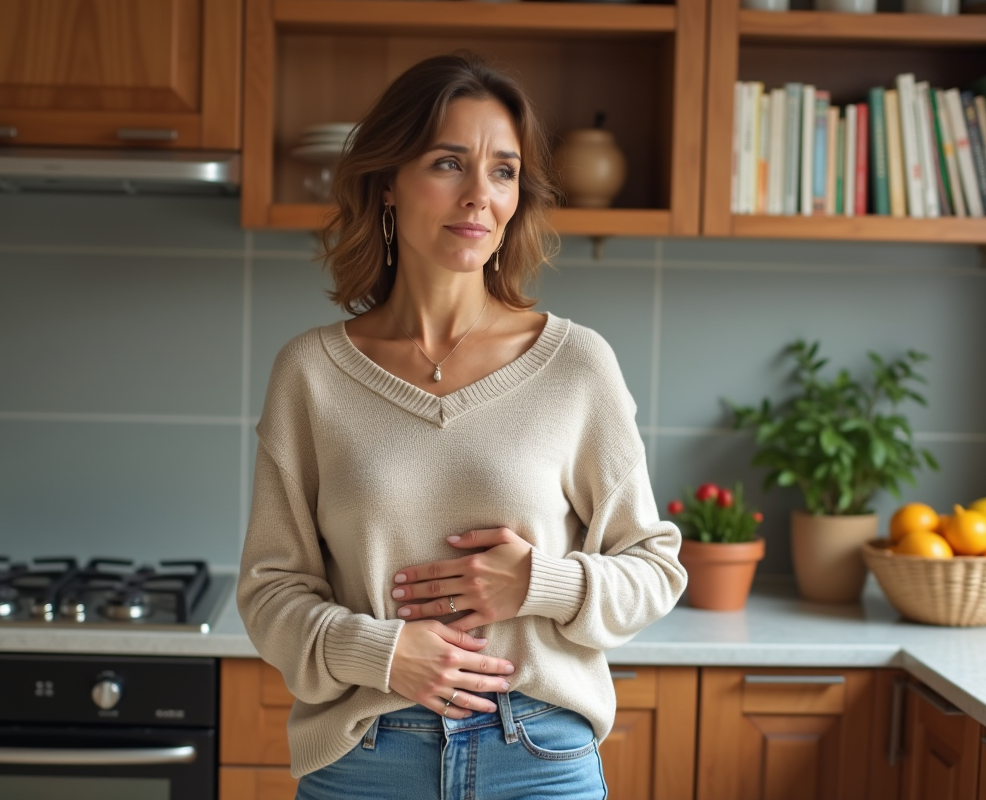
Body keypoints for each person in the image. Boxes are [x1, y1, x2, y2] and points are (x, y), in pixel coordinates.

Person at [237, 52, 687, 800]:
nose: (481, 195)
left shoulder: (576, 364)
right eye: (449, 162)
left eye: (504, 171)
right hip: (365, 759)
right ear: (387, 184)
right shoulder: (311, 373)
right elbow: (270, 591)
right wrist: (381, 652)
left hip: (537, 755)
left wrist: (538, 583)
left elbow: (654, 568)